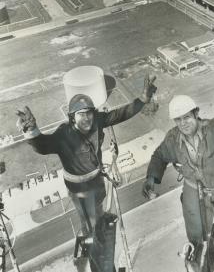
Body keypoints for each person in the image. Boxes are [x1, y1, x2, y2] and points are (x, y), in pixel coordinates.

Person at [17, 74, 156, 235]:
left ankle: (99, 221)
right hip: (79, 187)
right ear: (72, 118)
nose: (86, 118)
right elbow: (43, 146)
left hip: (96, 179)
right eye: (81, 114)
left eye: (89, 113)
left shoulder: (97, 120)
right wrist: (31, 131)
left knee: (98, 205)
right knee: (89, 222)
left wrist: (143, 99)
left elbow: (121, 114)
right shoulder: (64, 134)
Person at [142, 65, 214, 262]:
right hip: (194, 190)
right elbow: (159, 156)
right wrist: (151, 178)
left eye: (186, 117)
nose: (183, 123)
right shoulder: (173, 138)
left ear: (196, 114)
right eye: (178, 120)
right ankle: (196, 253)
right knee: (195, 229)